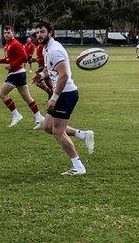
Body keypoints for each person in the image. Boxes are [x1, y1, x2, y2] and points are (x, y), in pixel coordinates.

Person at [32, 22, 95, 176]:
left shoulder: (55, 50)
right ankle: (83, 134)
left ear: (50, 33)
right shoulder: (46, 49)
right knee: (47, 126)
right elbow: (49, 69)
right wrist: (40, 75)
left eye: (42, 32)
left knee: (58, 132)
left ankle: (78, 166)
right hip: (61, 93)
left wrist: (54, 97)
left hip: (65, 94)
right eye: (38, 32)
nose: (39, 35)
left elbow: (64, 75)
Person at [0, 26, 45, 128]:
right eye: (5, 33)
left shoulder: (15, 44)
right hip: (19, 73)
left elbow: (24, 57)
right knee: (27, 98)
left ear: (13, 33)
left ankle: (16, 115)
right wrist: (1, 61)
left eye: (8, 32)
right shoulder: (7, 45)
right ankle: (39, 117)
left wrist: (11, 65)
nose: (6, 34)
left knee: (2, 94)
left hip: (16, 73)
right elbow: (10, 58)